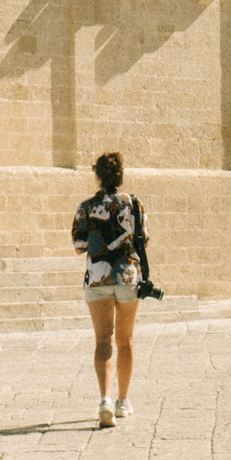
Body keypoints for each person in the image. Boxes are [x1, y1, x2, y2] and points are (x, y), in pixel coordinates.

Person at [71, 150, 145, 428]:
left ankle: (105, 400)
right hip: (127, 278)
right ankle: (123, 402)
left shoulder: (86, 207)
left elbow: (79, 246)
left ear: (98, 177)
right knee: (125, 340)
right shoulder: (134, 204)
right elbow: (144, 240)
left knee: (104, 340)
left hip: (98, 278)